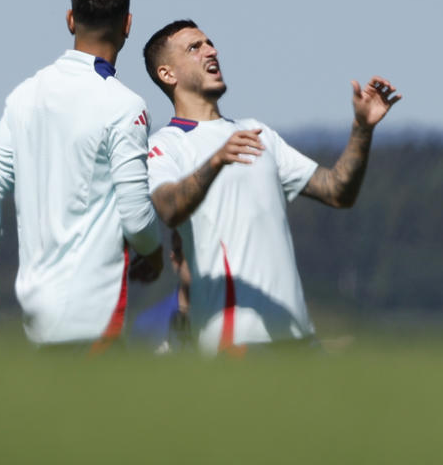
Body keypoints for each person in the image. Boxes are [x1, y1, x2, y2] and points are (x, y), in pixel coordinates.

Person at [140, 18, 400, 355]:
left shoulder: (256, 132)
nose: (211, 51)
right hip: (233, 343)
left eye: (210, 43)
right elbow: (168, 207)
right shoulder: (165, 145)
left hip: (299, 339)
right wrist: (216, 161)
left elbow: (337, 191)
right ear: (167, 74)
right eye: (195, 47)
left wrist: (362, 130)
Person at [0, 0, 164, 347]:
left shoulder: (25, 95)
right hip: (94, 305)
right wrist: (154, 253)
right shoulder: (125, 105)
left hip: (35, 306)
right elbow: (136, 217)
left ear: (70, 20)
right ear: (128, 25)